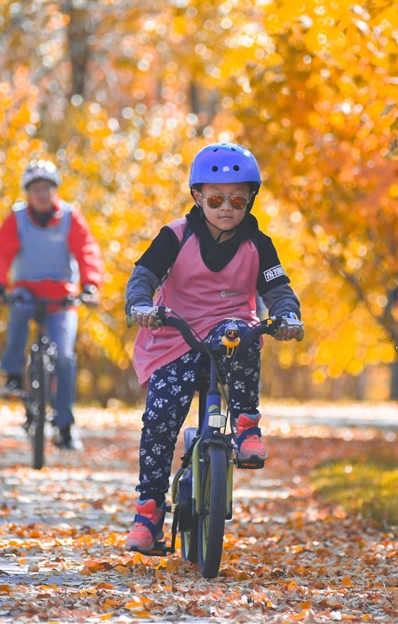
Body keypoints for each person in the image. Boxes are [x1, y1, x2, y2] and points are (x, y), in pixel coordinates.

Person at [123, 142, 304, 553]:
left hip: (227, 332)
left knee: (242, 334)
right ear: (197, 197)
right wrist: (140, 305)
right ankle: (149, 511)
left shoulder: (259, 244)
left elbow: (278, 290)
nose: (227, 208)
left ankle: (246, 424)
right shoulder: (176, 235)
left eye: (237, 200)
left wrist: (288, 316)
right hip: (176, 334)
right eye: (216, 199)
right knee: (160, 419)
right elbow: (144, 275)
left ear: (250, 200)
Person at [0, 159, 103, 450]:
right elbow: (0, 252)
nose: (41, 193)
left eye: (46, 188)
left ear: (55, 190)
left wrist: (90, 285)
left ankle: (65, 426)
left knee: (64, 357)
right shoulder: (16, 217)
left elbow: (87, 250)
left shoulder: (70, 217)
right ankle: (13, 375)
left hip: (61, 295)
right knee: (19, 310)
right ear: (27, 192)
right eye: (35, 188)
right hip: (26, 289)